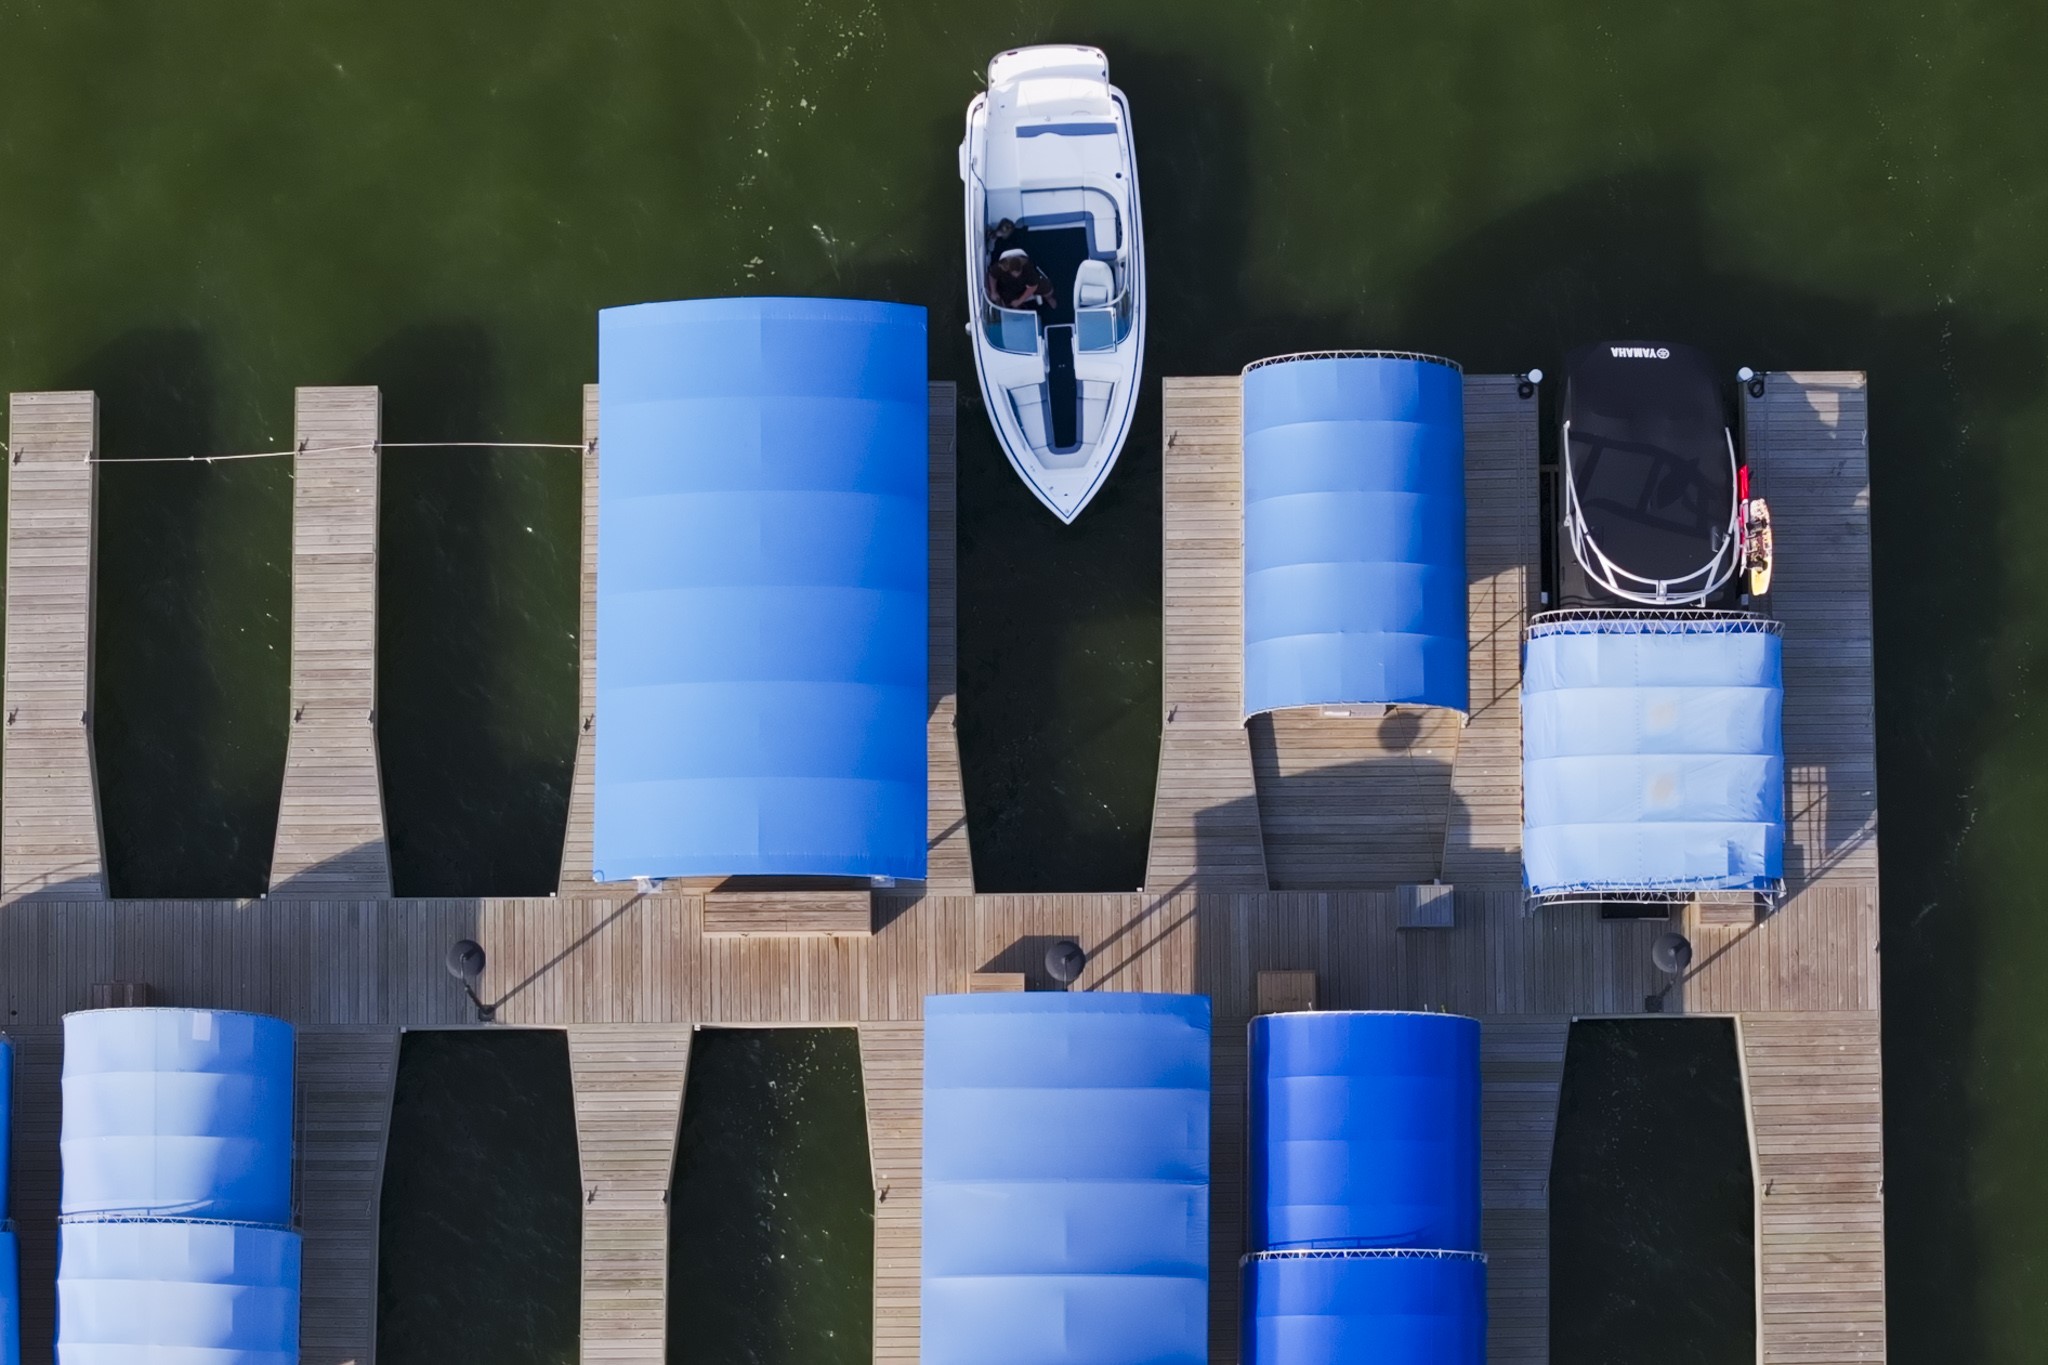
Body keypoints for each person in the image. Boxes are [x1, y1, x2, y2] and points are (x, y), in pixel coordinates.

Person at [988, 247, 1056, 311]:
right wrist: (993, 292)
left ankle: (1048, 297)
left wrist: (1020, 300)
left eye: (1018, 271)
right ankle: (1016, 308)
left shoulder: (1028, 266)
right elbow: (992, 276)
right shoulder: (1000, 267)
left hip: (1024, 280)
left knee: (1046, 287)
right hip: (1008, 285)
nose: (1017, 275)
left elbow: (1033, 286)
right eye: (1014, 273)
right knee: (1007, 302)